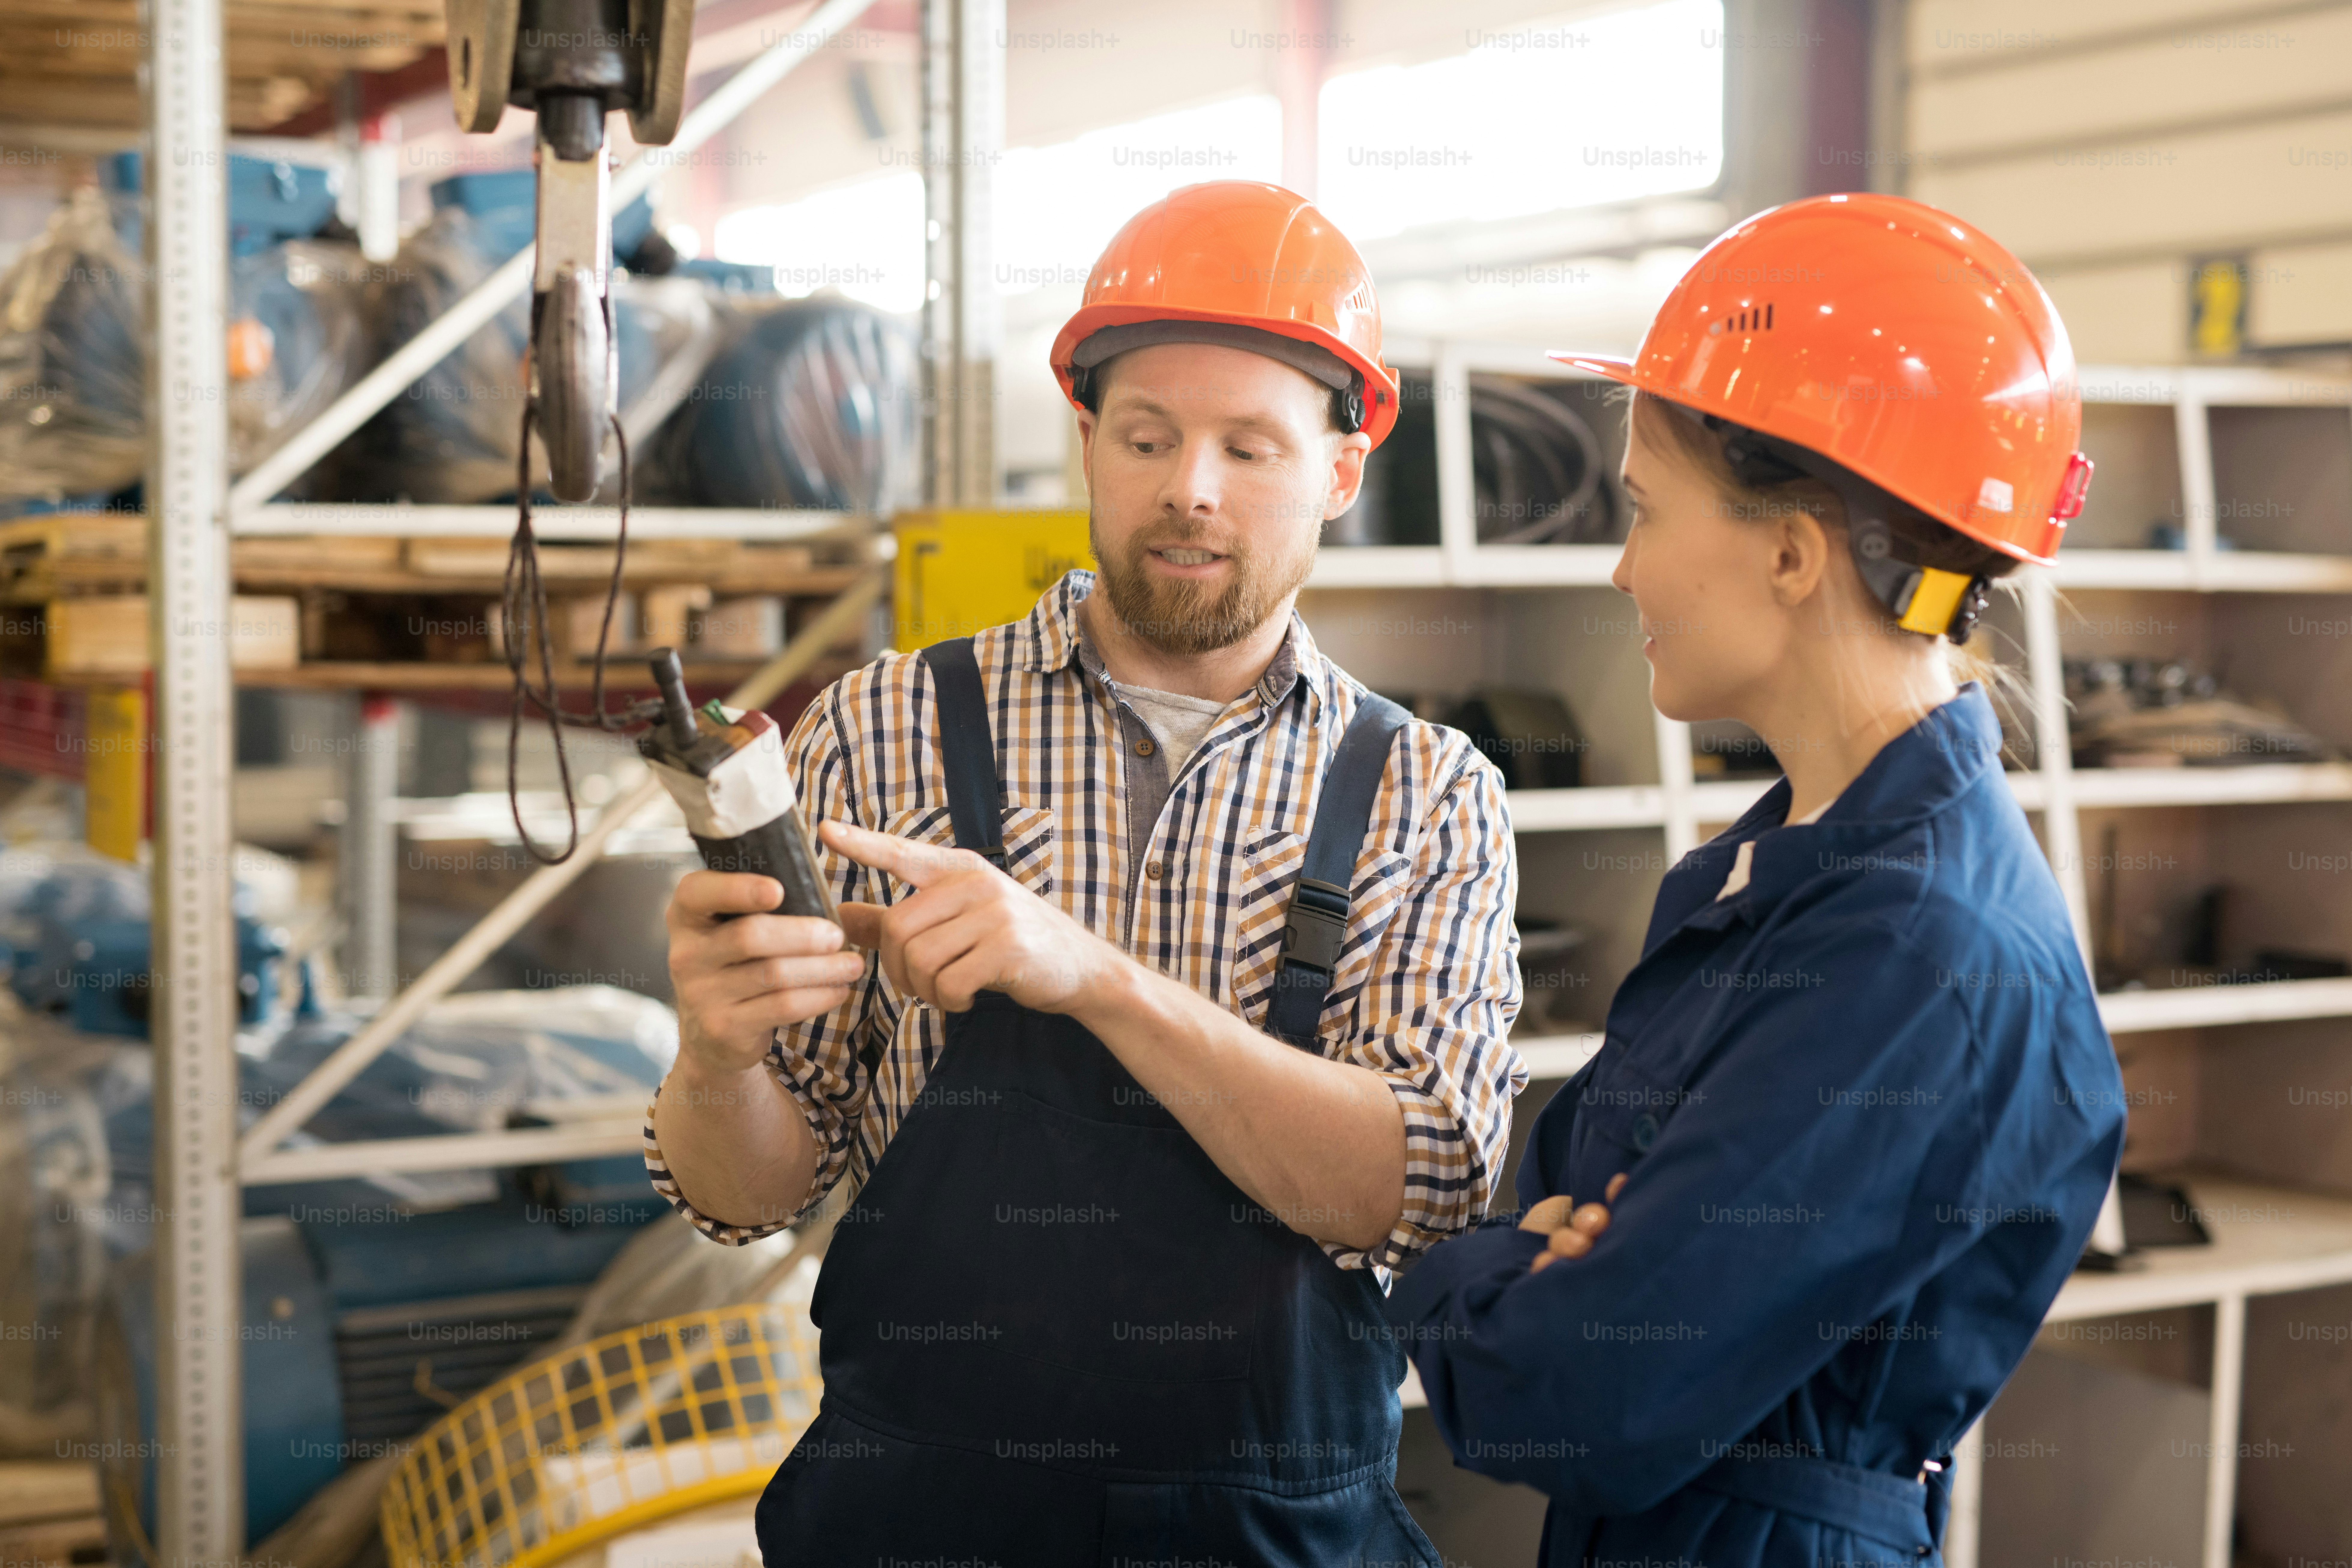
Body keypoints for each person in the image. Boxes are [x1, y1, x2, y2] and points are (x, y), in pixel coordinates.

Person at [644, 180, 1525, 1564]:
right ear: (1086, 443)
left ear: (1341, 474)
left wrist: (1091, 976)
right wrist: (714, 1058)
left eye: (1251, 446)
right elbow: (754, 1190)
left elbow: (1408, 1183)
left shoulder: (1427, 796)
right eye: (1148, 436)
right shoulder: (886, 727)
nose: (1191, 487)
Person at [1387, 192, 2127, 1568]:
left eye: (1648, 510)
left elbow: (1575, 1391)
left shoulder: (1917, 950)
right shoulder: (1783, 864)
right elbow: (1567, 1185)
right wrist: (1531, 1264)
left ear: (1792, 551)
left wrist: (1460, 1270)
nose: (1620, 566)